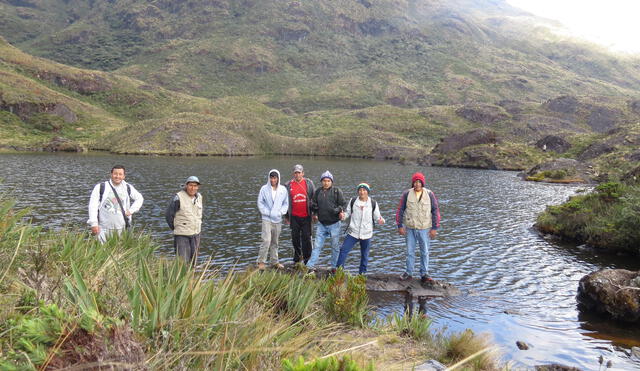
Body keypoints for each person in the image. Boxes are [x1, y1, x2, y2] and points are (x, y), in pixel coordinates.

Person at [395, 172, 441, 284]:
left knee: (424, 252)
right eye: (415, 182)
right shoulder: (406, 194)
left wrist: (435, 228)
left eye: (419, 182)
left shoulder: (430, 194)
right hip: (410, 228)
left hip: (425, 228)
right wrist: (400, 225)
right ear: (413, 183)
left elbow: (435, 211)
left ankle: (424, 273)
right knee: (410, 252)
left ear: (422, 183)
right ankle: (409, 273)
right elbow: (400, 210)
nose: (417, 184)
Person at [335, 183, 384, 274]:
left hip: (367, 233)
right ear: (358, 191)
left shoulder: (373, 203)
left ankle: (362, 275)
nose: (362, 192)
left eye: (364, 190)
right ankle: (338, 272)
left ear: (367, 192)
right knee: (343, 250)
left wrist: (381, 220)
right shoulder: (353, 201)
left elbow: (377, 217)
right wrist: (342, 216)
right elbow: (347, 213)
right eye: (360, 190)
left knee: (365, 255)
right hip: (352, 231)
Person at [87, 165, 144, 243]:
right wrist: (94, 224)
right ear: (111, 174)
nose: (117, 176)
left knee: (119, 252)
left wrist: (131, 210)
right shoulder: (101, 187)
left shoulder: (127, 187)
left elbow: (139, 198)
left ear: (124, 176)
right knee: (102, 252)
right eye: (115, 174)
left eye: (120, 174)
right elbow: (92, 206)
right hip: (103, 228)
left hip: (122, 228)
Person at [307, 170, 347, 270]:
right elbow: (314, 204)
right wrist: (315, 213)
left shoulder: (337, 191)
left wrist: (338, 210)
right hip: (321, 224)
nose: (326, 182)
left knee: (335, 247)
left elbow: (343, 204)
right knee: (317, 247)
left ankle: (334, 267)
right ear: (321, 181)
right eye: (324, 180)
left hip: (334, 224)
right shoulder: (318, 192)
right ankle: (309, 266)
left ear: (331, 182)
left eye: (328, 180)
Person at [165, 176, 203, 265]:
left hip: (196, 235)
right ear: (186, 185)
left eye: (195, 186)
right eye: (190, 185)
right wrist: (177, 228)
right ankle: (181, 278)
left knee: (193, 262)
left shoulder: (199, 197)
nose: (193, 188)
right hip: (182, 236)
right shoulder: (178, 197)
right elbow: (168, 216)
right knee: (182, 263)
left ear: (198, 187)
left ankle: (192, 278)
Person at [256, 169, 289, 270]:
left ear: (278, 178)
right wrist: (267, 212)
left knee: (275, 241)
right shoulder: (264, 189)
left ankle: (274, 261)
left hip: (278, 219)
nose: (273, 179)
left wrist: (280, 212)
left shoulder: (283, 190)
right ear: (269, 178)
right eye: (271, 177)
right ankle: (261, 261)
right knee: (266, 240)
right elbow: (260, 203)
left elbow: (285, 203)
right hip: (267, 219)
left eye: (275, 177)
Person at [285, 164, 315, 265]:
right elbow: (285, 202)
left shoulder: (309, 183)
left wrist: (315, 213)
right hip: (294, 217)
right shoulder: (288, 185)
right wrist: (286, 216)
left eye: (299, 172)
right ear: (293, 173)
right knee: (295, 238)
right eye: (295, 173)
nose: (297, 174)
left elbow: (314, 199)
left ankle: (308, 259)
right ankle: (297, 257)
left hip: (306, 216)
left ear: (303, 173)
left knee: (307, 238)